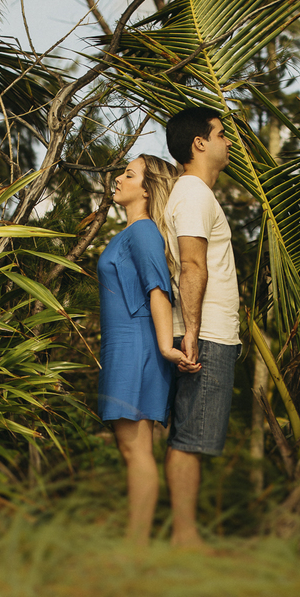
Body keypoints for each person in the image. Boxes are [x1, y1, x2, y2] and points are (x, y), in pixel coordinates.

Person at [97, 154, 195, 546]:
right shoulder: (131, 232)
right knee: (130, 449)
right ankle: (135, 545)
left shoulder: (142, 232)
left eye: (129, 174)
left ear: (147, 188)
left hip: (138, 346)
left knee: (136, 450)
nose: (118, 178)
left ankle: (135, 549)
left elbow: (159, 291)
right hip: (125, 345)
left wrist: (164, 348)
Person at [162, 107, 240, 550]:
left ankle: (184, 534)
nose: (227, 143)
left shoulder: (194, 193)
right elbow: (192, 263)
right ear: (200, 143)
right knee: (192, 435)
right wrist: (192, 331)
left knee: (193, 433)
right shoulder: (192, 192)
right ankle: (184, 537)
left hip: (206, 328)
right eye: (222, 135)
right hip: (204, 330)